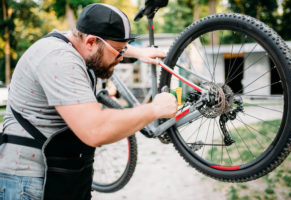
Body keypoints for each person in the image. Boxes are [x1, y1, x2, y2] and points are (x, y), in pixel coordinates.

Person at [0, 3, 177, 200]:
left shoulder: (75, 42)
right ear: (91, 42)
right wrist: (155, 109)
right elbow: (95, 129)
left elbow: (102, 47)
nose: (120, 57)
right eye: (118, 51)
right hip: (29, 184)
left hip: (58, 177)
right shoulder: (60, 59)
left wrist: (138, 53)